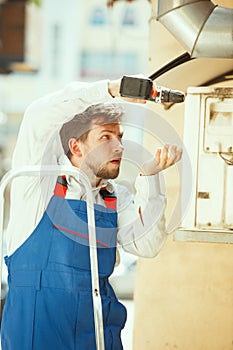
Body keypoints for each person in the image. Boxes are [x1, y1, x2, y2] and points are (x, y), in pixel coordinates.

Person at [1, 77, 182, 350]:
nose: (119, 146)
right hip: (37, 337)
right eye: (106, 137)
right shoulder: (38, 185)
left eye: (119, 137)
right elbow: (37, 115)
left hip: (99, 336)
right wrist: (109, 90)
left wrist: (150, 177)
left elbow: (148, 245)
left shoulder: (114, 196)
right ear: (76, 147)